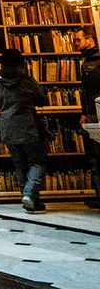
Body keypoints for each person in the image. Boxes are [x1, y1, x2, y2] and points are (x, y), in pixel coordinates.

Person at [0, 48, 49, 214]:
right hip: (29, 126)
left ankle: (29, 198)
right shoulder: (26, 80)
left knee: (19, 163)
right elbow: (41, 99)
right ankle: (30, 194)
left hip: (7, 127)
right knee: (38, 161)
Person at [77, 29, 100, 209]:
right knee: (94, 156)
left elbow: (89, 91)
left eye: (79, 40)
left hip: (95, 112)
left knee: (96, 156)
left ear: (90, 39)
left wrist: (86, 112)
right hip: (92, 111)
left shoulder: (93, 63)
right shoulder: (87, 62)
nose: (77, 44)